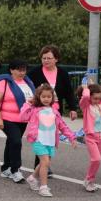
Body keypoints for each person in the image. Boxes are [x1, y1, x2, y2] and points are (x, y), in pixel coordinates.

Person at [27, 45, 78, 176]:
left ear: (56, 59)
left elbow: (68, 92)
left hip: (55, 111)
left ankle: (44, 163)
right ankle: (41, 164)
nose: (46, 61)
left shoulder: (62, 73)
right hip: (39, 111)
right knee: (41, 137)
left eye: (49, 58)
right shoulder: (35, 72)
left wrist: (73, 108)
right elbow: (27, 87)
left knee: (50, 137)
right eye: (43, 58)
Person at [20, 84, 77, 197]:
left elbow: (62, 126)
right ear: (38, 97)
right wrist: (27, 104)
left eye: (48, 96)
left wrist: (72, 137)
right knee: (45, 162)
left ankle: (32, 178)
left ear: (52, 98)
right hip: (38, 140)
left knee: (44, 163)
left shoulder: (54, 111)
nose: (46, 99)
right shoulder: (34, 110)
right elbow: (22, 117)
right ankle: (43, 187)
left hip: (50, 141)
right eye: (43, 96)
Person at [0, 60, 35, 183]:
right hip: (7, 118)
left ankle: (6, 168)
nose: (22, 72)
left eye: (24, 70)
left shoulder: (28, 81)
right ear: (11, 70)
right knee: (16, 142)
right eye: (19, 69)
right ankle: (16, 170)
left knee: (11, 142)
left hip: (23, 119)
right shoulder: (4, 81)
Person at [78, 83, 101, 192]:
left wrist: (95, 85)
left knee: (98, 160)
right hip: (91, 137)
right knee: (96, 159)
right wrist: (86, 88)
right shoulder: (86, 106)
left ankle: (91, 181)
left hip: (100, 136)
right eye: (95, 98)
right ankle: (88, 180)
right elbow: (87, 97)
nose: (98, 100)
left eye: (99, 98)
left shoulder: (100, 104)